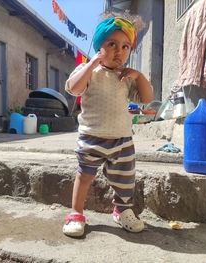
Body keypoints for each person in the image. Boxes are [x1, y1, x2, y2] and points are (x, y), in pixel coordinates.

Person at [63, 16, 153, 237]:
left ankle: (122, 210)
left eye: (125, 46)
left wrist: (139, 76)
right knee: (84, 176)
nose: (118, 51)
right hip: (92, 137)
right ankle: (76, 213)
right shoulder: (89, 70)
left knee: (125, 180)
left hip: (122, 139)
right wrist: (92, 63)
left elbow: (147, 97)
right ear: (99, 46)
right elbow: (74, 88)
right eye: (111, 44)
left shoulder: (127, 77)